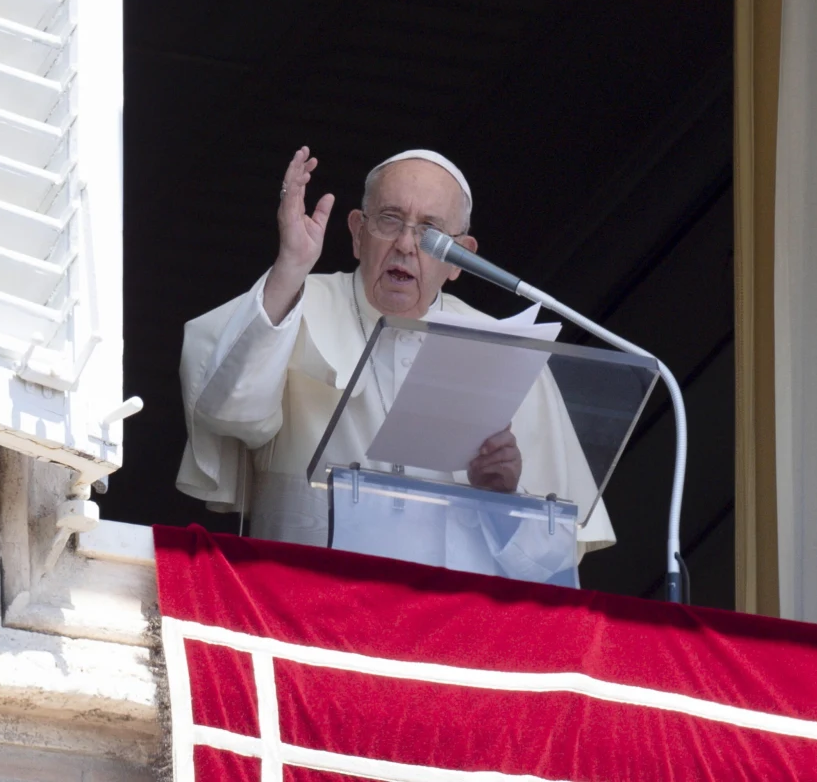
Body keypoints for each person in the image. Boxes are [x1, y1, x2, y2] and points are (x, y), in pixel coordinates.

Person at [176, 147, 616, 573]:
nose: (406, 243)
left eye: (431, 231)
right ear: (356, 232)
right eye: (390, 219)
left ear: (462, 257)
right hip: (307, 610)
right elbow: (228, 413)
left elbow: (554, 560)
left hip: (451, 632)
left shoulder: (508, 349)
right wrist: (290, 267)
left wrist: (505, 500)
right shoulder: (291, 306)